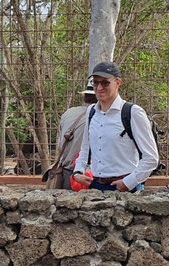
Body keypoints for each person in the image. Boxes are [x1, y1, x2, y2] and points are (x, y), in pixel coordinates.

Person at [72, 61, 159, 192]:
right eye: (96, 83)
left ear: (118, 83)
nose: (99, 88)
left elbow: (151, 158)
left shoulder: (133, 113)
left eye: (105, 83)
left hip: (126, 188)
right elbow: (85, 148)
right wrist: (78, 172)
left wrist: (128, 182)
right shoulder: (91, 112)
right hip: (96, 186)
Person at [54, 80, 98, 190]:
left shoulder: (68, 113)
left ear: (84, 97)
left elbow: (59, 143)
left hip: (66, 171)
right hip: (88, 175)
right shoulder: (100, 116)